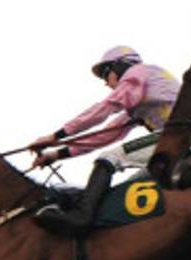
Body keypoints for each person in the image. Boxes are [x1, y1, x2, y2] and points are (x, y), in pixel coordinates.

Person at [29, 46, 179, 234]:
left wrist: (56, 136)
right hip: (172, 139)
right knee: (128, 186)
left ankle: (81, 217)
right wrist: (56, 154)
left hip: (175, 136)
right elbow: (105, 135)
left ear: (120, 66)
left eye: (105, 75)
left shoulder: (137, 73)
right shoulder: (142, 97)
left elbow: (105, 108)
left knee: (109, 157)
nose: (106, 84)